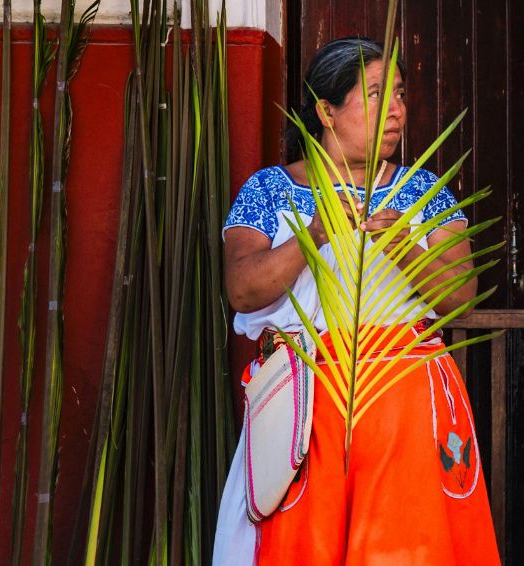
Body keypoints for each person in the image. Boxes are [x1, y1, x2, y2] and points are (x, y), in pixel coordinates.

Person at [212, 36, 500, 565]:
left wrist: (402, 248)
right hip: (307, 402)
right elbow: (242, 288)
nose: (397, 111)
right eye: (375, 94)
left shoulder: (424, 190)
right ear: (325, 110)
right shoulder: (270, 190)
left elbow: (461, 293)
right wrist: (314, 235)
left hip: (406, 404)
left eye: (400, 94)